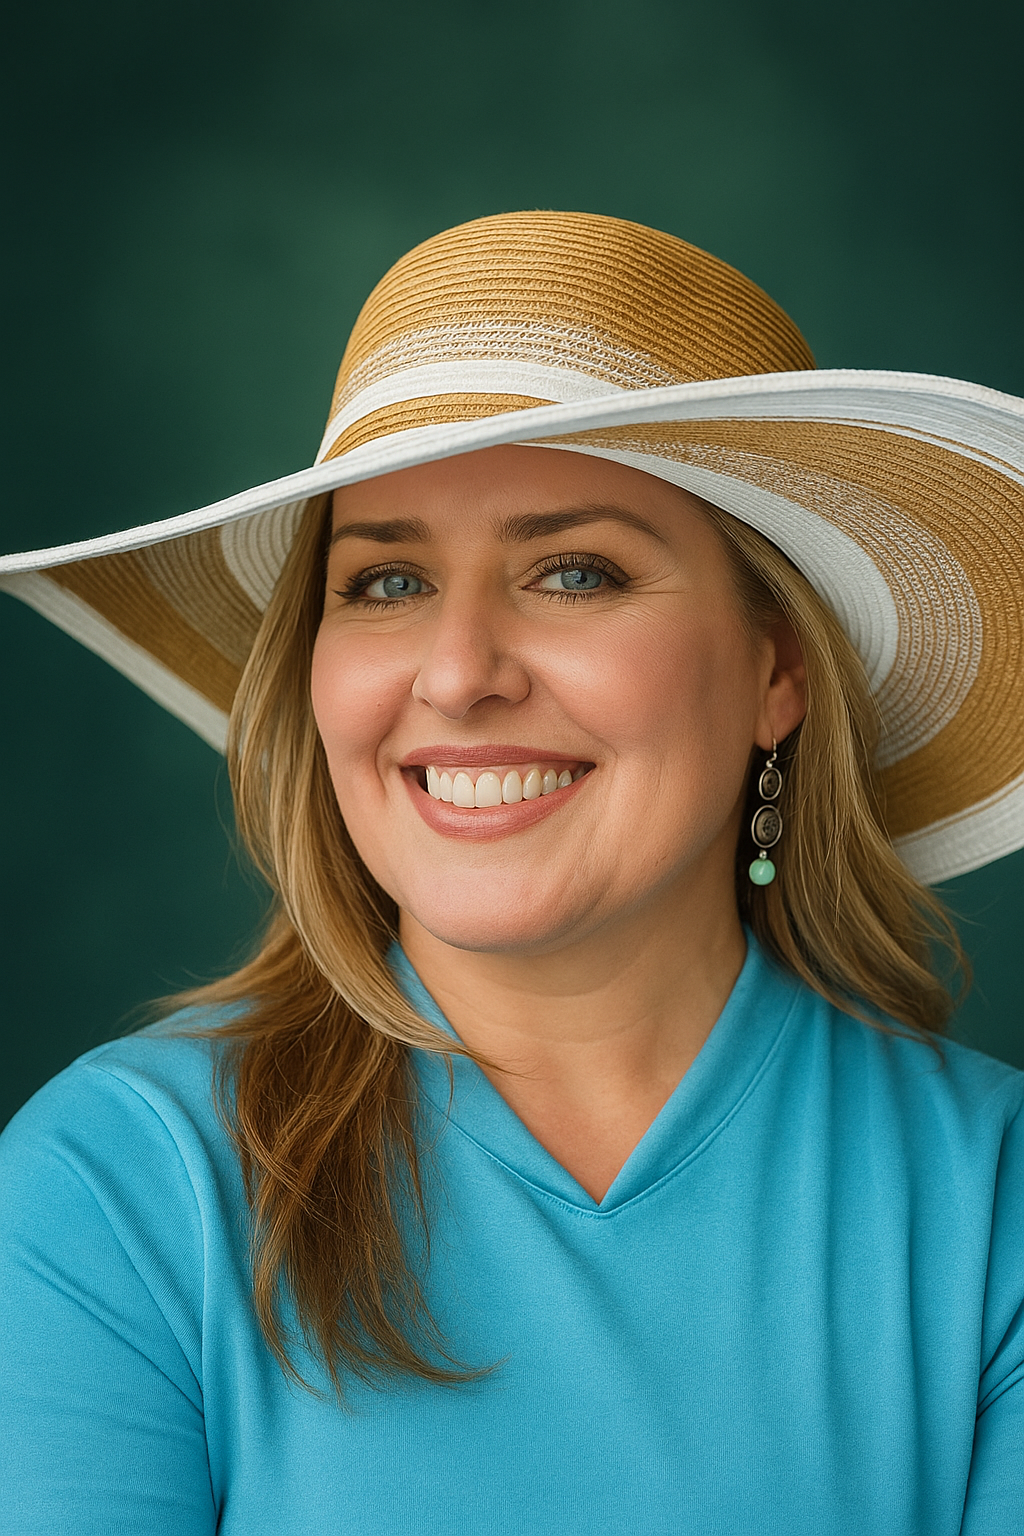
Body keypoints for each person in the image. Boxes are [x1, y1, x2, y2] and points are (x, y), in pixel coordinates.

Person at [1, 210, 1023, 1534]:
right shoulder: (120, 1189)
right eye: (383, 584)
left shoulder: (991, 1203)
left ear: (778, 672)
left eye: (574, 571)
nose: (457, 670)